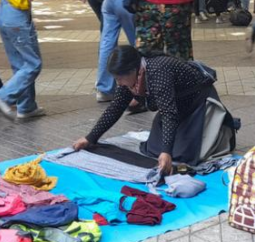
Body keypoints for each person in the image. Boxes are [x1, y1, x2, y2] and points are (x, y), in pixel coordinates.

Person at [72, 46, 235, 174]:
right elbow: (116, 108)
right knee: (153, 149)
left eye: (120, 78)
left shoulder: (158, 70)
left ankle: (220, 132)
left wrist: (167, 152)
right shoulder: (130, 78)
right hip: (176, 106)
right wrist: (91, 138)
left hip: (197, 103)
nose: (119, 83)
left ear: (133, 70)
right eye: (116, 79)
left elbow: (168, 114)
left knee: (181, 156)